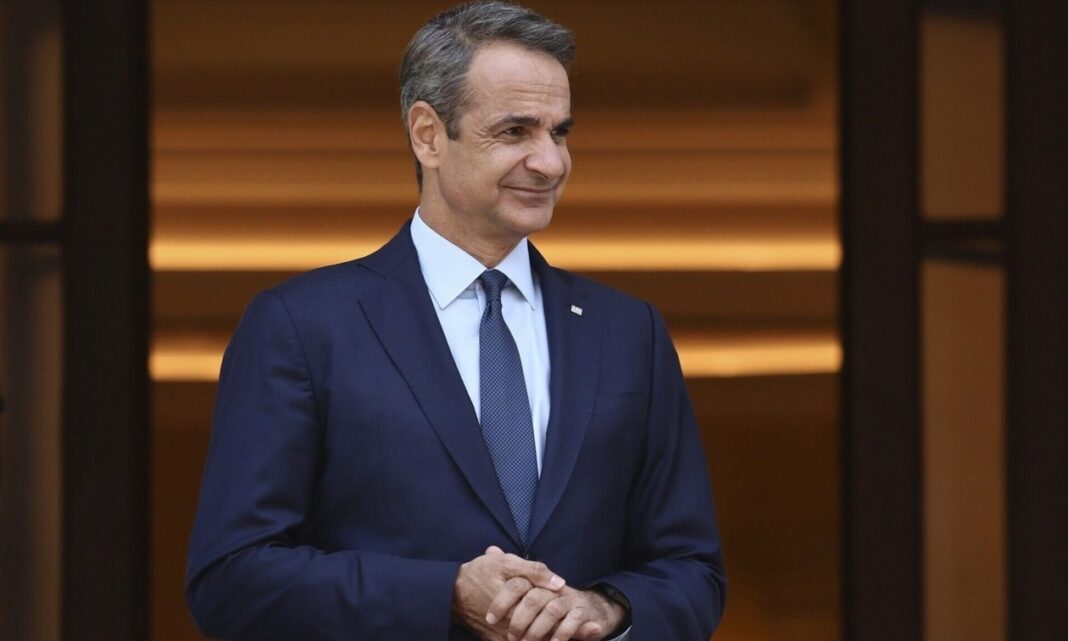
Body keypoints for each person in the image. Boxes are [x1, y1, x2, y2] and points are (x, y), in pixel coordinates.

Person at [185, 2, 726, 640]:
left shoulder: (629, 333)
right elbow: (232, 578)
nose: (550, 162)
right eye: (516, 131)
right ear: (428, 135)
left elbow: (692, 571)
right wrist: (444, 593)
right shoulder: (303, 327)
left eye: (559, 133)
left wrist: (606, 610)